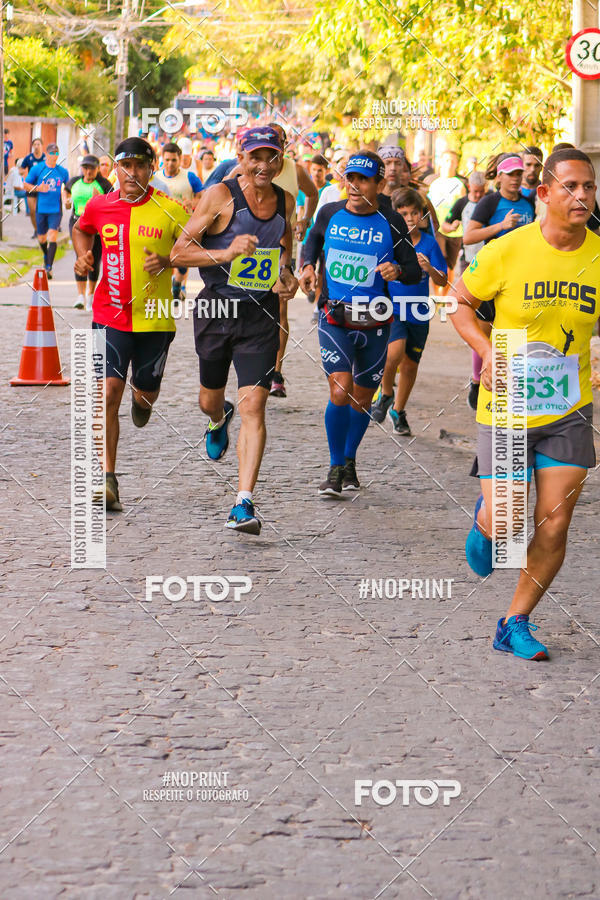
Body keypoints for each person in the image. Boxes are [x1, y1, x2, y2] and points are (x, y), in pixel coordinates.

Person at [450, 148, 600, 661]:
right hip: (510, 402)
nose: (582, 195)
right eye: (570, 186)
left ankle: (515, 621)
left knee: (555, 521)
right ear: (544, 193)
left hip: (569, 405)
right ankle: (488, 519)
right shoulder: (508, 250)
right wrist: (487, 349)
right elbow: (460, 303)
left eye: (589, 186)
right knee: (509, 523)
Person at [170, 125, 298, 535]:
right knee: (209, 399)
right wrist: (226, 251)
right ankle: (215, 416)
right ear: (241, 157)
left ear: (281, 160)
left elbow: (284, 249)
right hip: (216, 309)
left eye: (271, 157)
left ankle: (243, 502)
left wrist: (287, 275)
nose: (263, 165)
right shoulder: (220, 196)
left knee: (254, 408)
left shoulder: (286, 201)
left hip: (259, 316)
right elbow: (179, 253)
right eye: (255, 157)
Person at [72, 137, 189, 511]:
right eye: (126, 165)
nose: (132, 172)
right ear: (115, 169)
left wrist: (170, 261)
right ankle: (108, 479)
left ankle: (144, 400)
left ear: (151, 168)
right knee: (106, 394)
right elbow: (79, 227)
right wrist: (83, 255)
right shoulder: (99, 204)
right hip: (109, 314)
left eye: (140, 165)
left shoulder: (169, 208)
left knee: (144, 394)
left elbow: (193, 248)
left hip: (155, 319)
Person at [299, 151, 421, 497]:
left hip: (376, 321)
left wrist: (397, 270)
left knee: (362, 399)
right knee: (339, 389)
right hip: (334, 316)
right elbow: (312, 242)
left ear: (379, 184)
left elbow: (412, 270)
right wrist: (308, 267)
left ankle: (350, 459)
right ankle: (335, 467)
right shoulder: (330, 212)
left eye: (363, 179)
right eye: (350, 178)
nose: (354, 186)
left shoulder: (392, 221)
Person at [463, 153, 536, 410]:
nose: (516, 179)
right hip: (491, 276)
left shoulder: (529, 203)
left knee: (512, 333)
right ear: (500, 176)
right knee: (485, 334)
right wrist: (501, 226)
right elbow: (469, 237)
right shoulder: (489, 202)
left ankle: (507, 388)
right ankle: (476, 380)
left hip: (520, 277)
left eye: (519, 174)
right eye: (511, 174)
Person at [371, 188, 447, 433]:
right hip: (391, 309)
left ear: (422, 215)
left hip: (419, 312)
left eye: (415, 213)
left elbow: (443, 281)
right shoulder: (389, 241)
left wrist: (430, 269)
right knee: (394, 353)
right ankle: (385, 393)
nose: (411, 218)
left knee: (411, 365)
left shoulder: (429, 243)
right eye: (404, 214)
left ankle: (398, 410)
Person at [64, 155, 112, 310]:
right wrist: (67, 200)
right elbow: (66, 190)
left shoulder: (104, 184)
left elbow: (111, 202)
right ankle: (80, 295)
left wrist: (100, 201)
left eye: (91, 168)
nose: (88, 171)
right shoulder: (75, 181)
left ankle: (91, 295)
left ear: (97, 169)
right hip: (78, 223)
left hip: (96, 225)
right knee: (81, 256)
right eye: (85, 168)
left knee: (94, 258)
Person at [160, 142, 203, 302]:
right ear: (162, 159)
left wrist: (194, 203)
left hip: (184, 227)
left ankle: (177, 283)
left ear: (180, 160)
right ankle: (166, 290)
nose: (170, 163)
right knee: (164, 260)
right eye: (167, 160)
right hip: (162, 226)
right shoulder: (156, 177)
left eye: (173, 160)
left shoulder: (190, 177)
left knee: (182, 261)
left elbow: (202, 196)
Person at [24, 143, 70, 279]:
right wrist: (38, 188)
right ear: (47, 154)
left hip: (55, 209)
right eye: (51, 153)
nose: (54, 156)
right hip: (41, 209)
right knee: (42, 238)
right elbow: (26, 185)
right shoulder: (38, 169)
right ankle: (46, 256)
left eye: (56, 153)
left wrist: (67, 199)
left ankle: (49, 267)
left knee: (52, 236)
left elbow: (68, 188)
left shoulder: (63, 171)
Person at [378, 145, 439, 234]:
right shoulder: (370, 197)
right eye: (388, 163)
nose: (393, 168)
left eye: (398, 163)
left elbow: (431, 227)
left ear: (403, 166)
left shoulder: (415, 198)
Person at [427, 150, 466, 276]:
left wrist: (458, 222)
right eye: (447, 160)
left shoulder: (460, 184)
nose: (449, 164)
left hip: (455, 232)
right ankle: (439, 294)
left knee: (450, 266)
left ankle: (443, 294)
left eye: (453, 161)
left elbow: (464, 208)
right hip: (437, 229)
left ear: (457, 164)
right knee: (439, 263)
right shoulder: (433, 183)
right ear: (441, 162)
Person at [442, 171, 487, 279]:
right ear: (469, 186)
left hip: (486, 253)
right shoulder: (462, 203)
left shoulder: (489, 200)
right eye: (475, 191)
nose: (478, 195)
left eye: (482, 191)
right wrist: (452, 227)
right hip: (467, 255)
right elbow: (444, 225)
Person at [19, 138, 46, 238]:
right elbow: (21, 169)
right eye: (34, 144)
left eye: (38, 144)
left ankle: (43, 229)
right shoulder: (28, 158)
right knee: (32, 211)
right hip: (31, 187)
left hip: (42, 188)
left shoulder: (45, 158)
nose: (36, 146)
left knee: (41, 210)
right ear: (32, 146)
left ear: (42, 146)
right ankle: (36, 230)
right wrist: (22, 172)